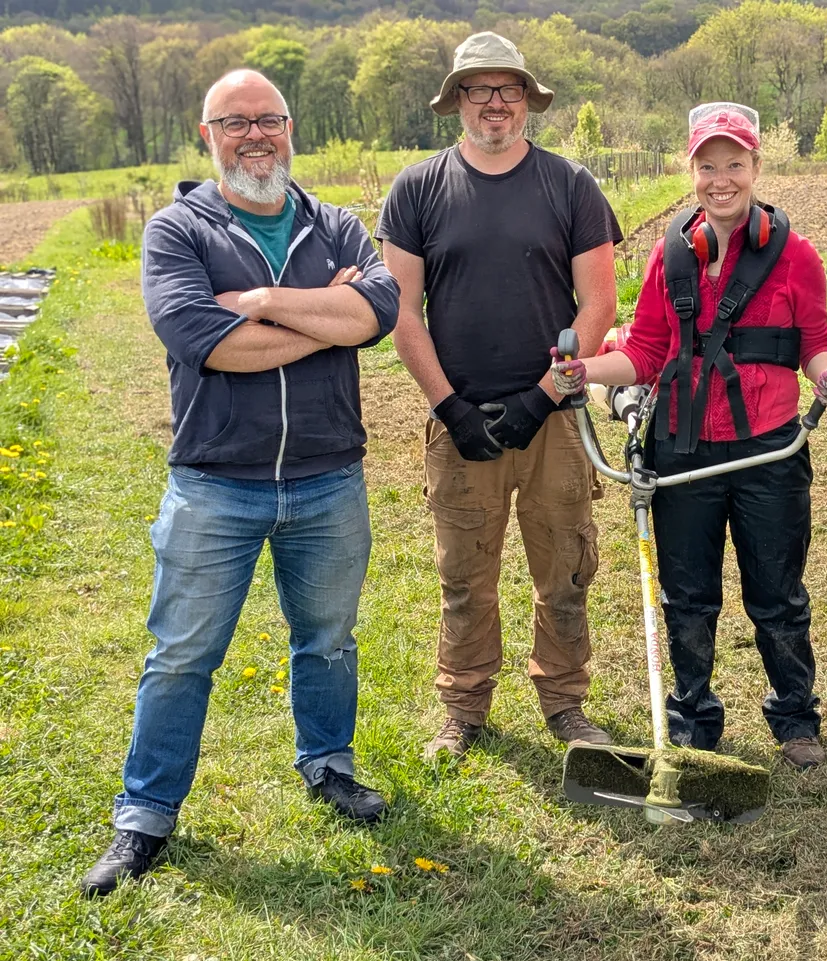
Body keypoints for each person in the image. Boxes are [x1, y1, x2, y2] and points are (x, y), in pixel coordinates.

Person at [81, 70, 400, 898]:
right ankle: (145, 814)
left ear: (291, 127)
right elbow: (208, 342)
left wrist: (262, 301)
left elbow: (379, 314)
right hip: (216, 484)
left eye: (269, 120)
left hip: (329, 476)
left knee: (327, 638)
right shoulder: (175, 232)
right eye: (236, 123)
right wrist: (323, 318)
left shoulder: (336, 223)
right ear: (207, 134)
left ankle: (328, 765)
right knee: (182, 654)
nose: (255, 136)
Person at [550, 103, 827, 770]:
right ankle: (692, 719)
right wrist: (584, 370)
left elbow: (814, 344)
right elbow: (650, 349)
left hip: (768, 450)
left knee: (777, 592)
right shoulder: (670, 255)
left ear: (755, 168)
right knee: (687, 595)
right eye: (707, 165)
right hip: (683, 449)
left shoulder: (796, 256)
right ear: (691, 171)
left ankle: (795, 718)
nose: (721, 179)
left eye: (734, 164)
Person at [375, 33, 622, 760]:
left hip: (553, 422)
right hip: (462, 423)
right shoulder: (416, 190)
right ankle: (464, 704)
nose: (494, 103)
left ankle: (566, 703)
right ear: (456, 101)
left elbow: (598, 305)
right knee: (465, 576)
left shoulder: (570, 184)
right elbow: (401, 312)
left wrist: (542, 396)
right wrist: (450, 407)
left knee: (566, 570)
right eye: (478, 90)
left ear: (527, 101)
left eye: (508, 89)